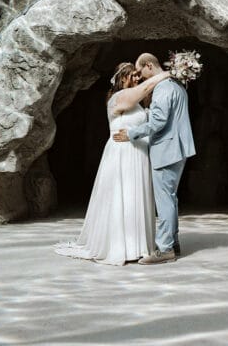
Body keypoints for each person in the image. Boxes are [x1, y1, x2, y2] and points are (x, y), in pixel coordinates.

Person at [55, 62, 170, 265]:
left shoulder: (137, 102)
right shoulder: (118, 98)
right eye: (133, 75)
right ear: (122, 78)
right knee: (123, 196)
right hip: (122, 153)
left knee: (137, 195)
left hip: (139, 154)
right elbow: (143, 89)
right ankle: (120, 246)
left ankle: (138, 245)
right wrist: (169, 73)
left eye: (138, 75)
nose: (137, 78)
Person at [113, 53, 195, 264]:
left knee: (165, 199)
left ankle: (165, 249)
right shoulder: (177, 85)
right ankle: (173, 242)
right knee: (171, 197)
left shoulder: (163, 88)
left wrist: (131, 134)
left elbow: (158, 122)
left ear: (149, 66)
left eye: (141, 71)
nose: (140, 77)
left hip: (166, 150)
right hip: (179, 149)